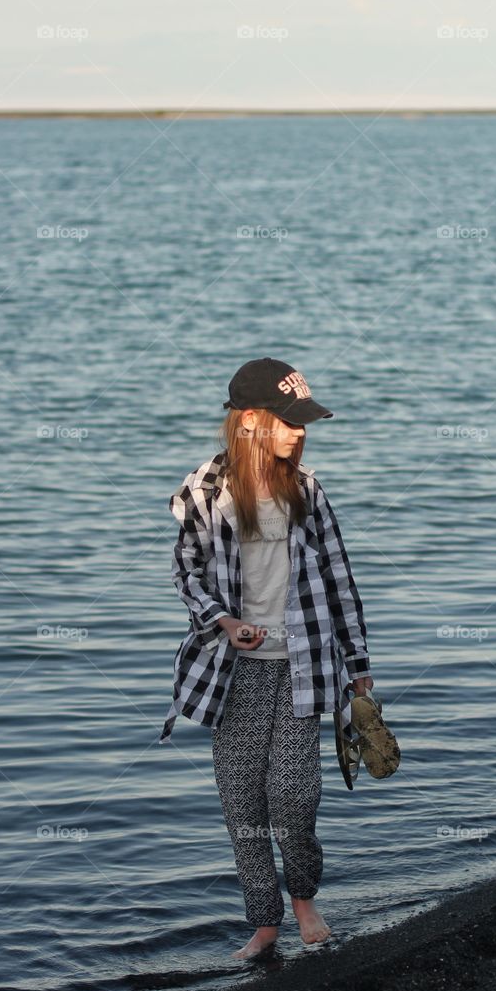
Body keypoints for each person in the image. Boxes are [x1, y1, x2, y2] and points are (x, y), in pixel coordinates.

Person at [159, 357, 379, 960]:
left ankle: (305, 898)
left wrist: (359, 667)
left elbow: (341, 578)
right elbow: (186, 573)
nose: (300, 432)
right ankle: (264, 922)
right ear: (251, 420)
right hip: (233, 671)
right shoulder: (204, 491)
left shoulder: (306, 490)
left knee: (292, 796)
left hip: (305, 664)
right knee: (242, 801)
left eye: (304, 423)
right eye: (289, 421)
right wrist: (222, 621)